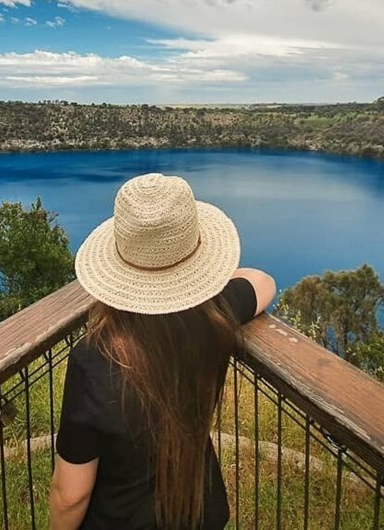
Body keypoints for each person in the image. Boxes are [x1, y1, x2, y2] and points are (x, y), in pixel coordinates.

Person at [49, 173, 275, 529]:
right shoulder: (215, 319)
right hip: (200, 513)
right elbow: (262, 282)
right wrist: (205, 282)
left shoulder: (94, 361)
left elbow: (70, 494)